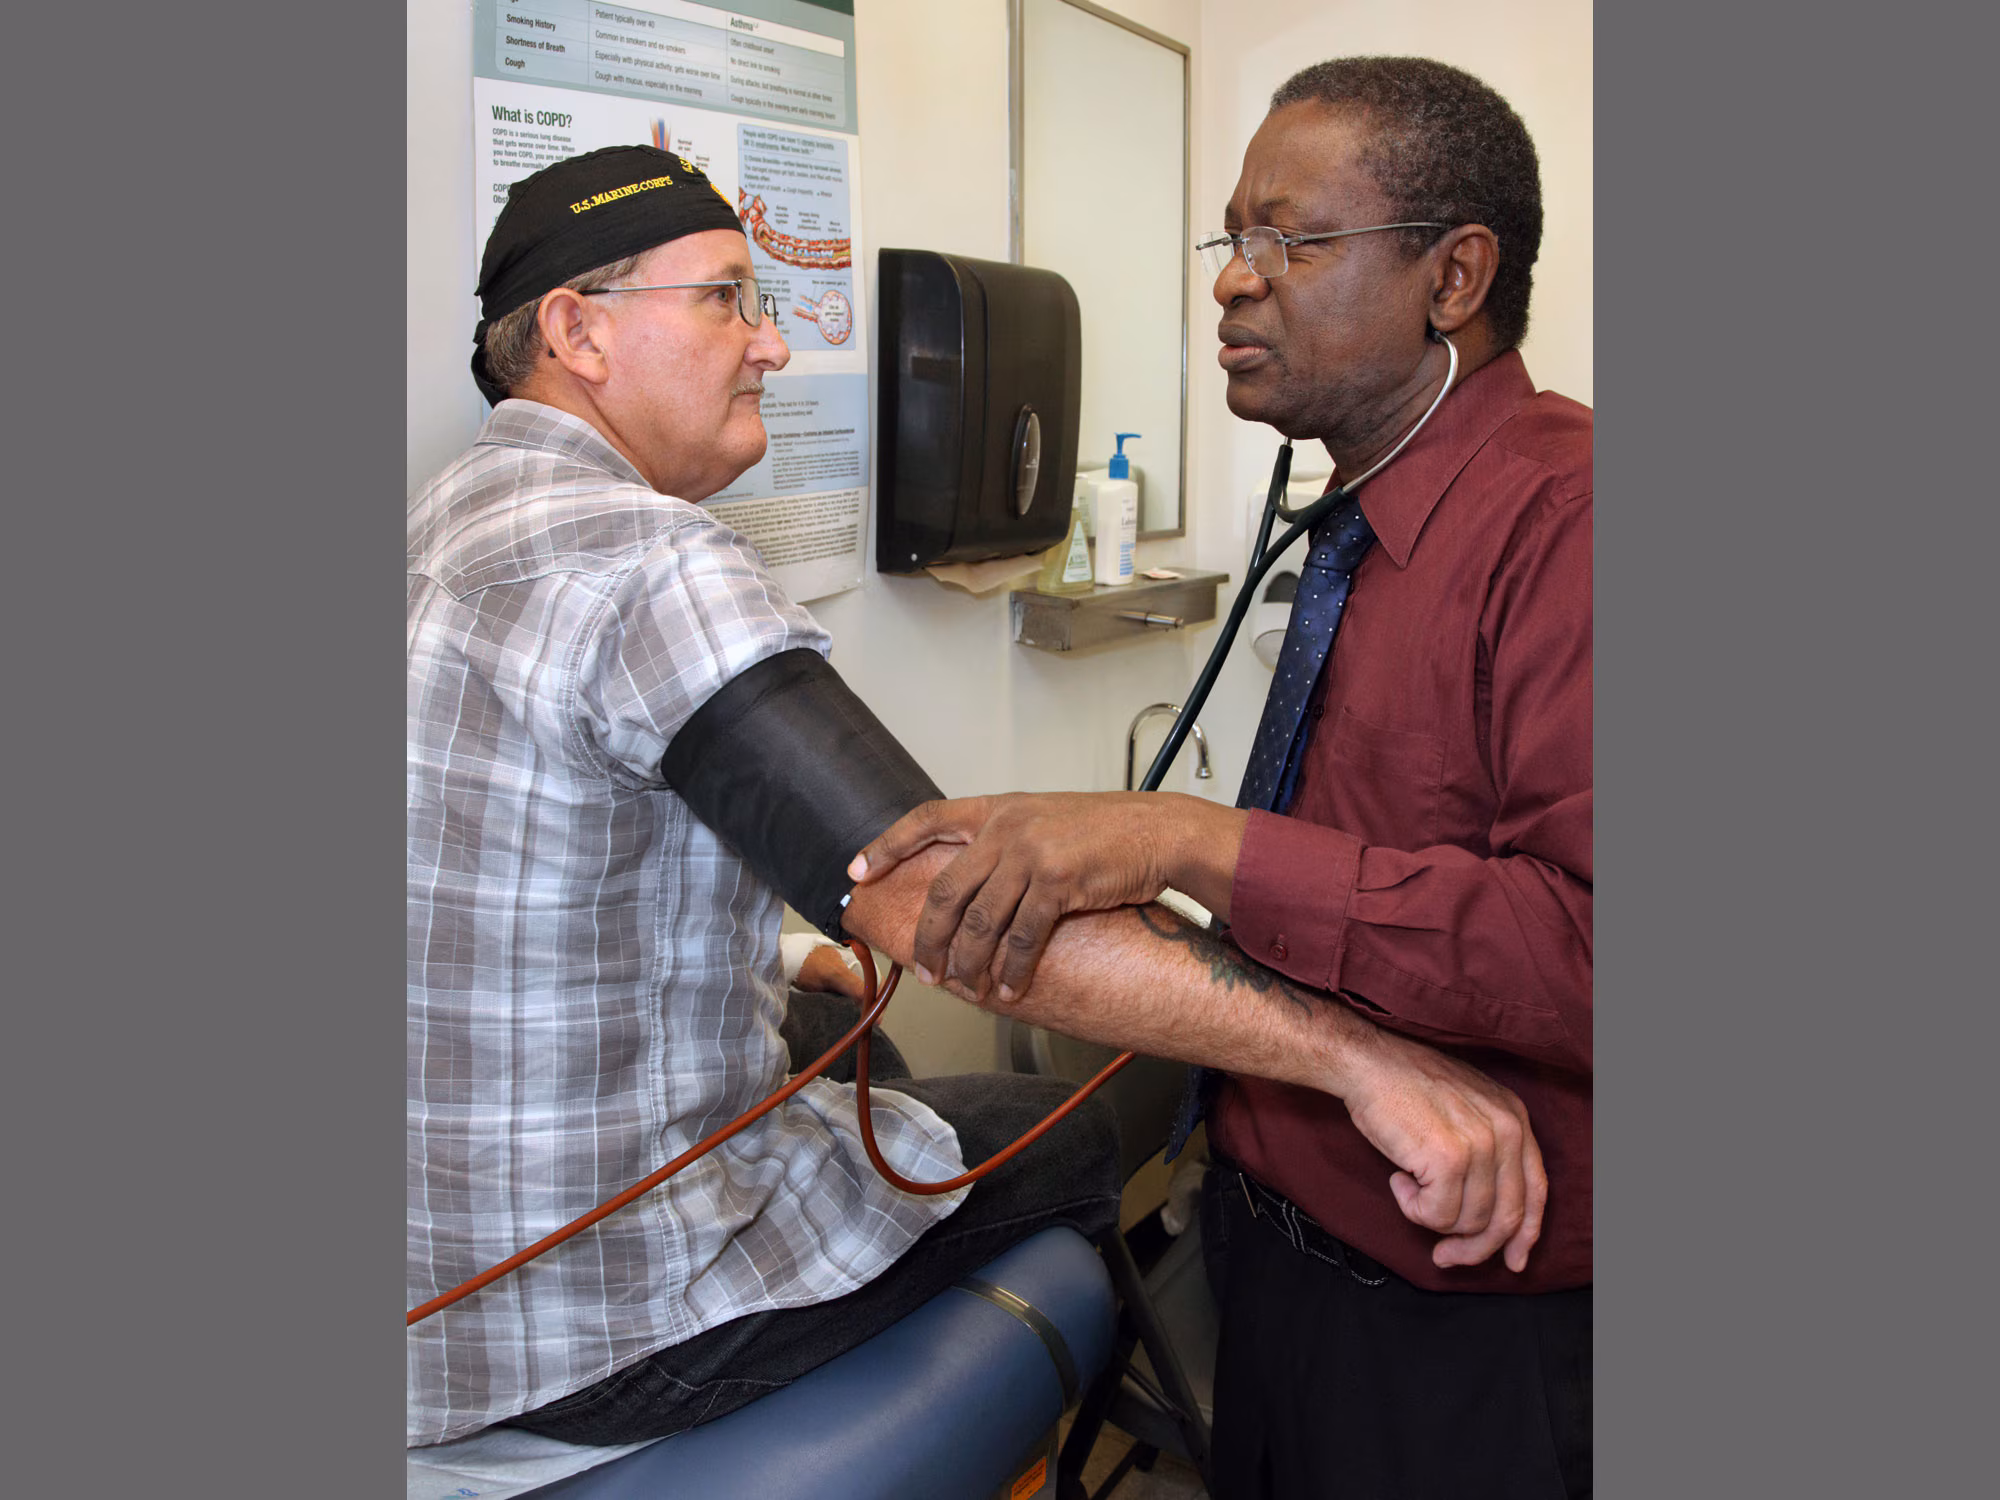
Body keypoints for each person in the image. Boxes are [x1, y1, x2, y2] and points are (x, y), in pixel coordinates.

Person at [852, 57, 1593, 1498]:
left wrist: (1198, 846)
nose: (1234, 285)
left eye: (1291, 242)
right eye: (1230, 241)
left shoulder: (1571, 525)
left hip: (1465, 1327)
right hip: (1273, 1247)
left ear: (1455, 277)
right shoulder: (1358, 517)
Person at [404, 145, 1128, 1451]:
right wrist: (1341, 1050)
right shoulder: (643, 553)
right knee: (1072, 1120)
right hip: (586, 1323)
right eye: (728, 299)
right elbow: (931, 896)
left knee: (850, 1040)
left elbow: (495, 869)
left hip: (430, 1284)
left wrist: (796, 951)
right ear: (579, 330)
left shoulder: (447, 520)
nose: (772, 347)